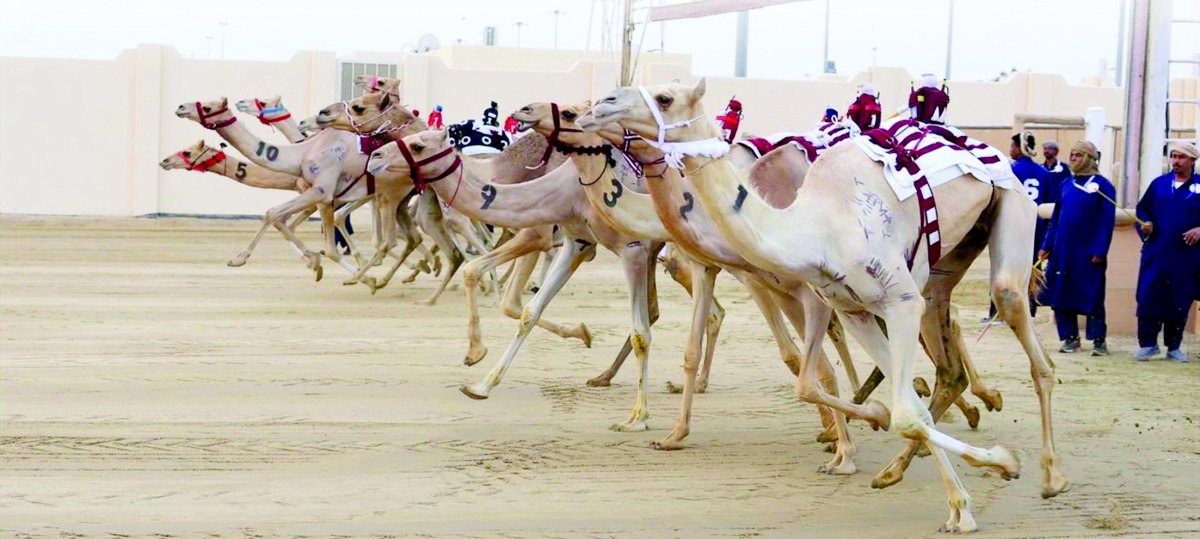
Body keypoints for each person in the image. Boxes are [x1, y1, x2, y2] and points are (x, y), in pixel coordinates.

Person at [1038, 140, 1115, 355]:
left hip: (1088, 252)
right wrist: (1046, 246)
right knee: (1061, 293)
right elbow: (1056, 219)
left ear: (1089, 159)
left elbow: (1105, 222)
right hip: (1063, 251)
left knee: (1093, 294)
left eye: (1078, 155)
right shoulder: (1065, 185)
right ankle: (1070, 337)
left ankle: (1099, 340)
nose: (1073, 159)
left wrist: (1099, 250)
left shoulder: (1103, 186)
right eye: (1071, 154)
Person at [1133, 141, 1200, 362]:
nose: (1176, 161)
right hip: (1157, 253)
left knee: (1179, 298)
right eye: (1173, 156)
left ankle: (1174, 346)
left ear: (1192, 160)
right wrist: (1146, 223)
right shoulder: (1159, 185)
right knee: (1149, 296)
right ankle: (1148, 344)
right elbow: (1142, 210)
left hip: (1186, 257)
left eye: (1181, 157)